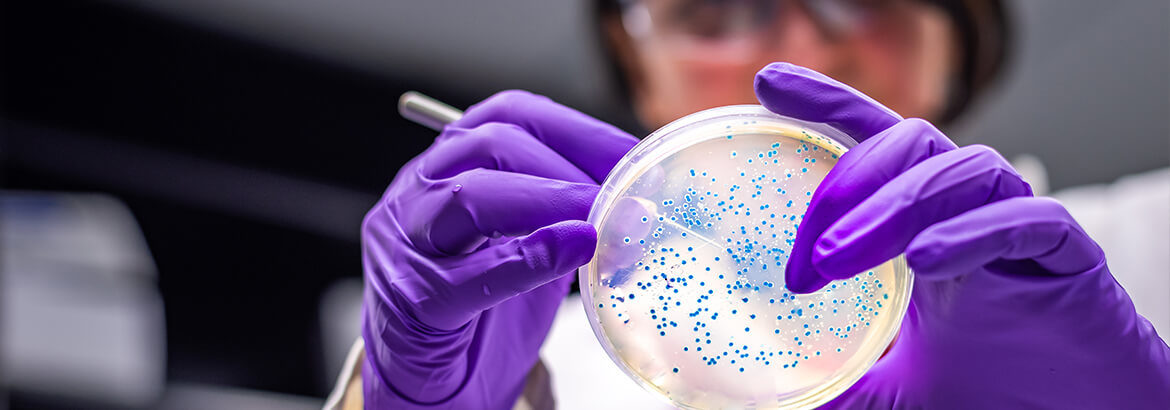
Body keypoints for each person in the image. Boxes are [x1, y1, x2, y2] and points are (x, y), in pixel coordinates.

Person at [328, 1, 1170, 408]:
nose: (803, 45)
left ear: (961, 38)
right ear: (639, 72)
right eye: (713, 11)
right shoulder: (563, 356)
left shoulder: (1150, 238)